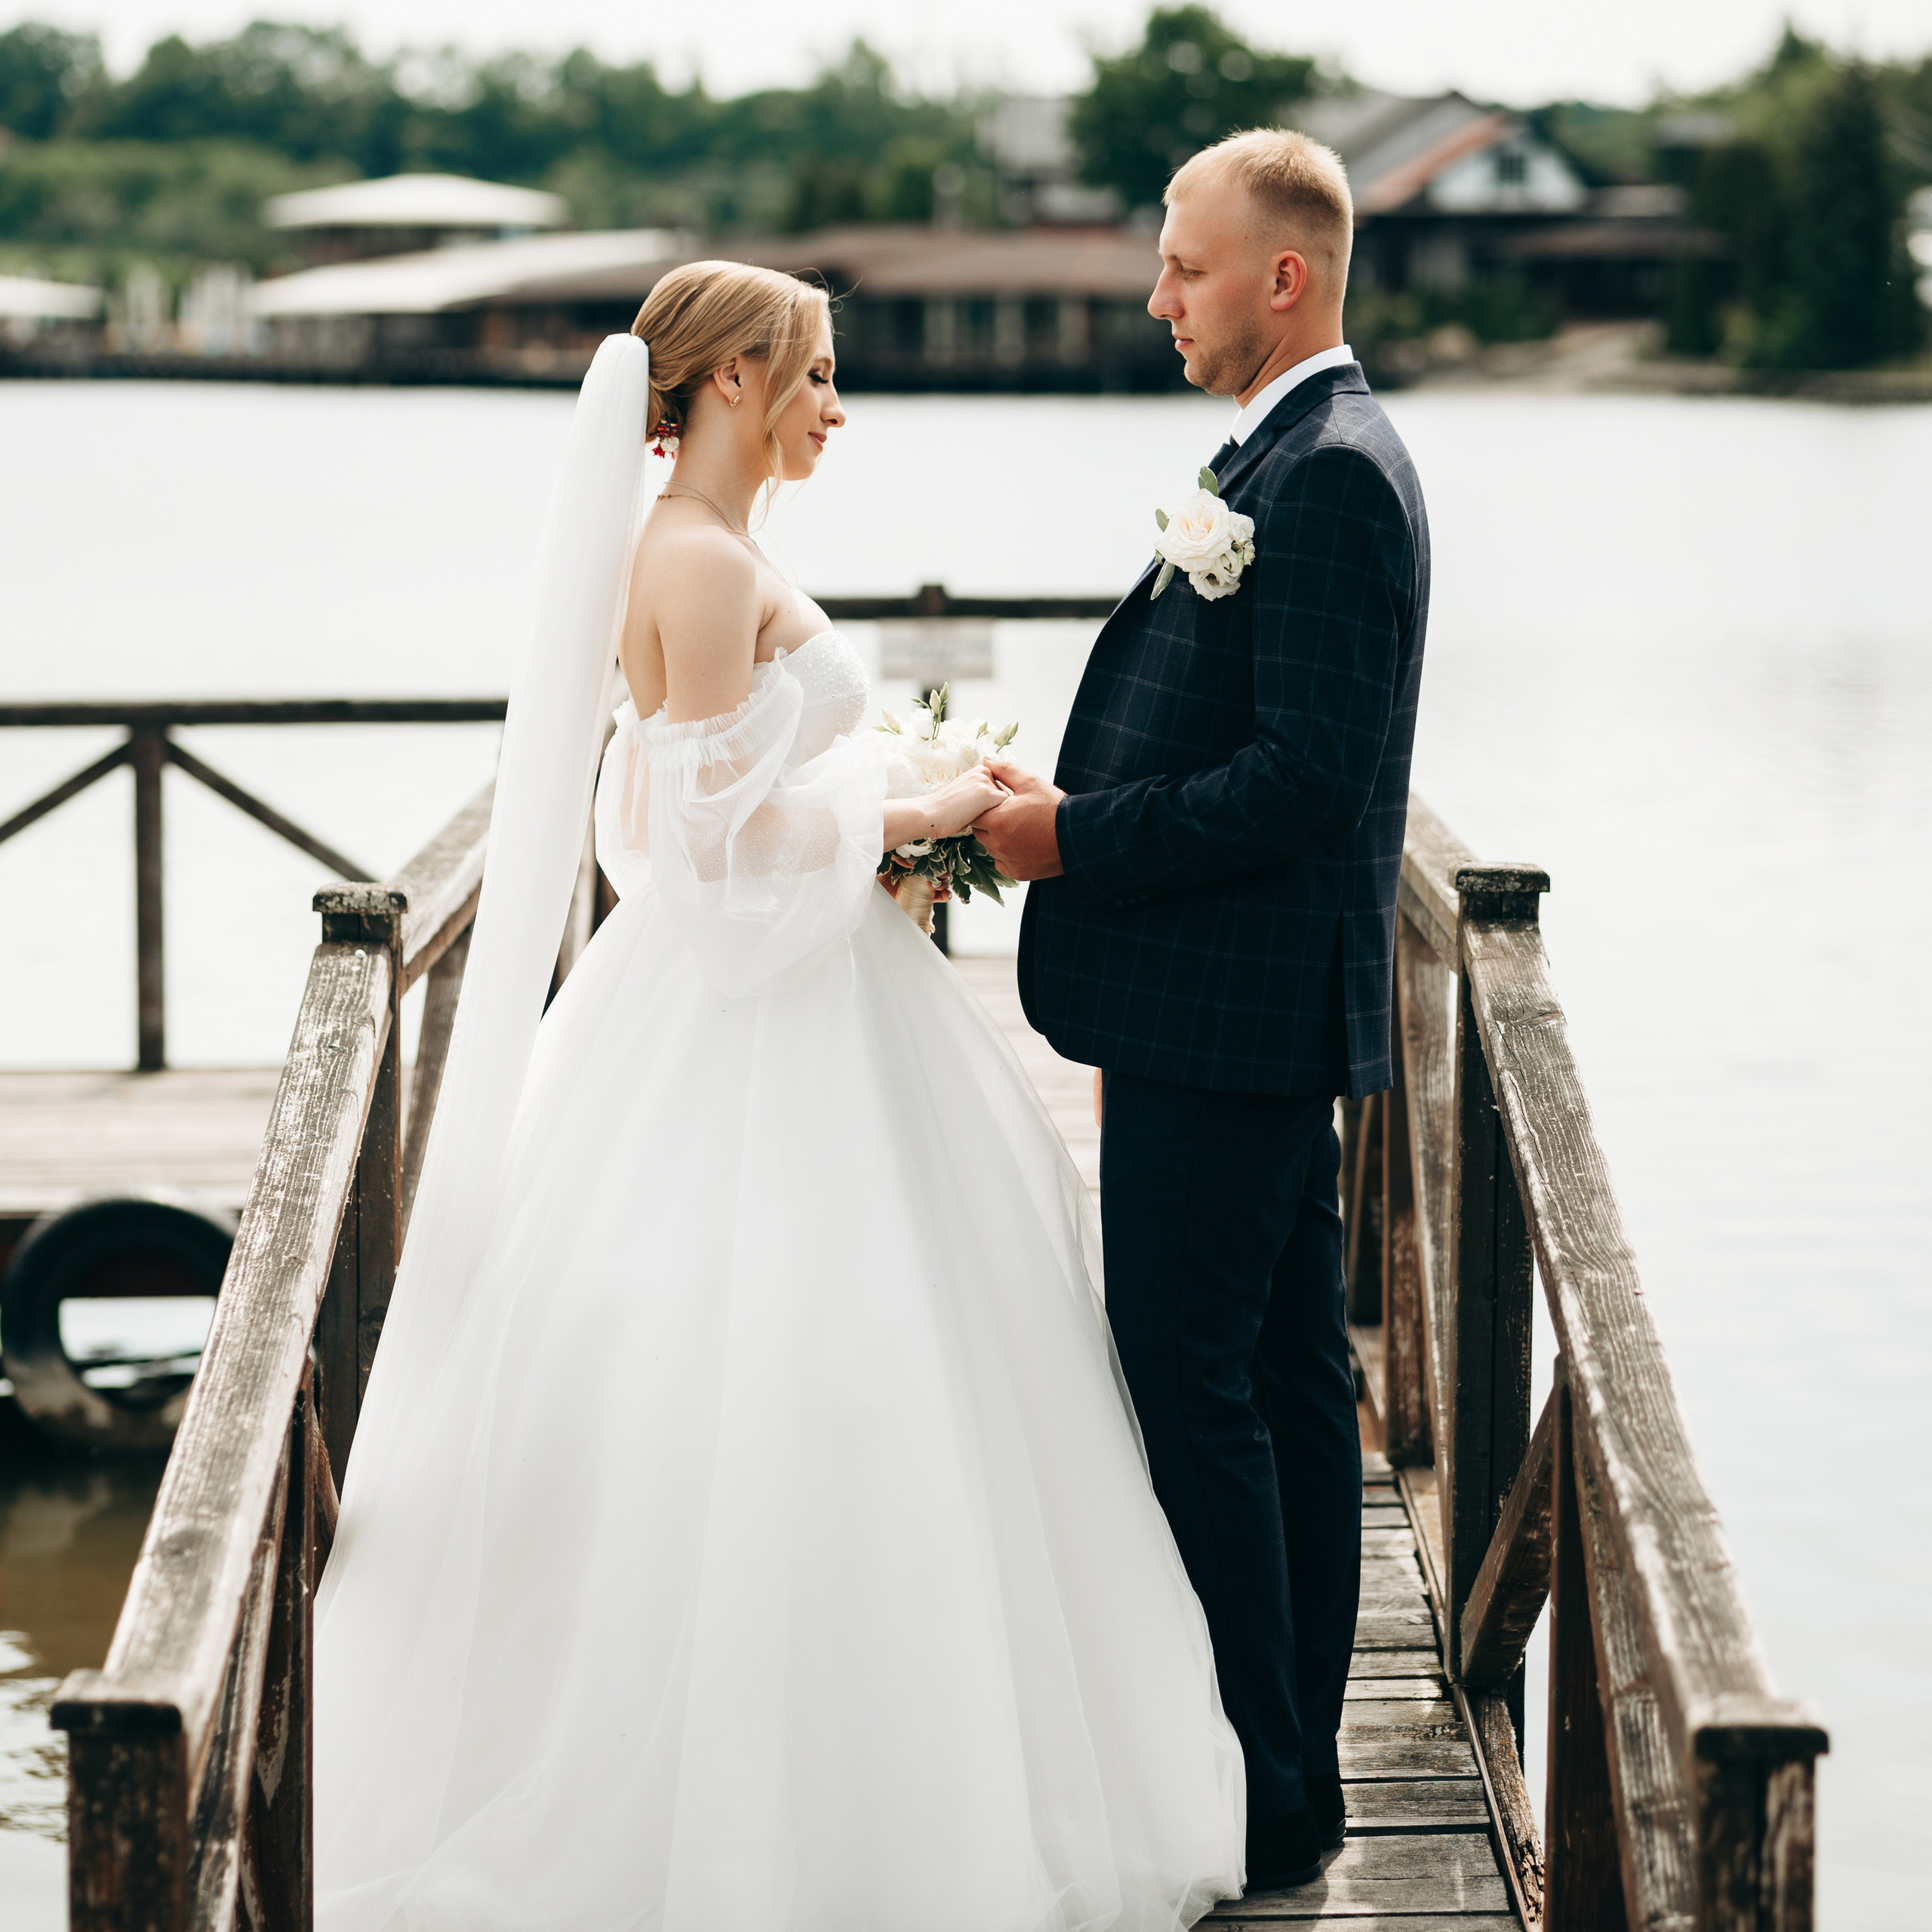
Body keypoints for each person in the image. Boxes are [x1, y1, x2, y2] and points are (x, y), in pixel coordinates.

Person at [311, 260, 1244, 1932]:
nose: (834, 404)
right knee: (786, 1370)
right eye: (815, 372)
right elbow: (704, 857)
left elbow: (725, 794)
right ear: (732, 377)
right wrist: (920, 805)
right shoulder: (684, 558)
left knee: (882, 1363)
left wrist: (884, 794)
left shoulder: (716, 550)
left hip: (805, 1003)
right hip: (739, 1032)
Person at [976, 129, 1432, 1890]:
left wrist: (1070, 837)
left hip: (1225, 1019)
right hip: (1230, 1008)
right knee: (1282, 1378)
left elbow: (1306, 777)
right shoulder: (1291, 448)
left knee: (1194, 1379)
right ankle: (1289, 1770)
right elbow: (1239, 730)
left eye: (1180, 262)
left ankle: (1260, 1782)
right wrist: (1057, 795)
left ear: (1281, 277)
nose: (1154, 292)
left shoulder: (1322, 472)